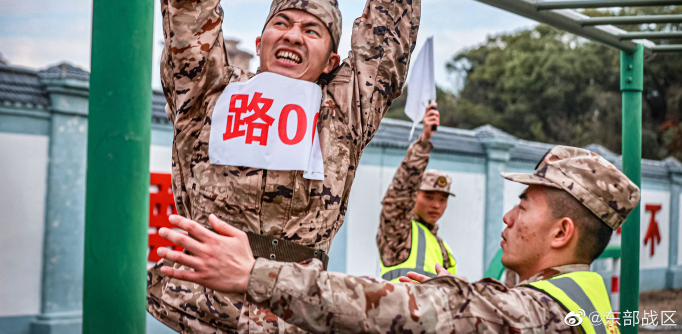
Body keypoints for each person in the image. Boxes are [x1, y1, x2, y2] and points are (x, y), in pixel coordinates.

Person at [149, 0, 443, 331]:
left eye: (312, 30)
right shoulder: (209, 94)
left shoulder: (343, 113)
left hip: (289, 316)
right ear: (261, 38)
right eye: (282, 23)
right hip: (194, 313)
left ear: (332, 61)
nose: (292, 35)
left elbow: (385, 36)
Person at [158, 146, 640, 333]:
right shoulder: (589, 302)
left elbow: (397, 310)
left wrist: (252, 274)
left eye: (526, 205)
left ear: (562, 231)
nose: (509, 217)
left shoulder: (533, 314)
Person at [378, 103, 457, 281]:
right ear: (414, 196)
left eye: (442, 199)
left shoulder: (443, 248)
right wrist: (424, 141)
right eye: (428, 197)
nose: (436, 205)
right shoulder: (399, 231)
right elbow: (400, 193)